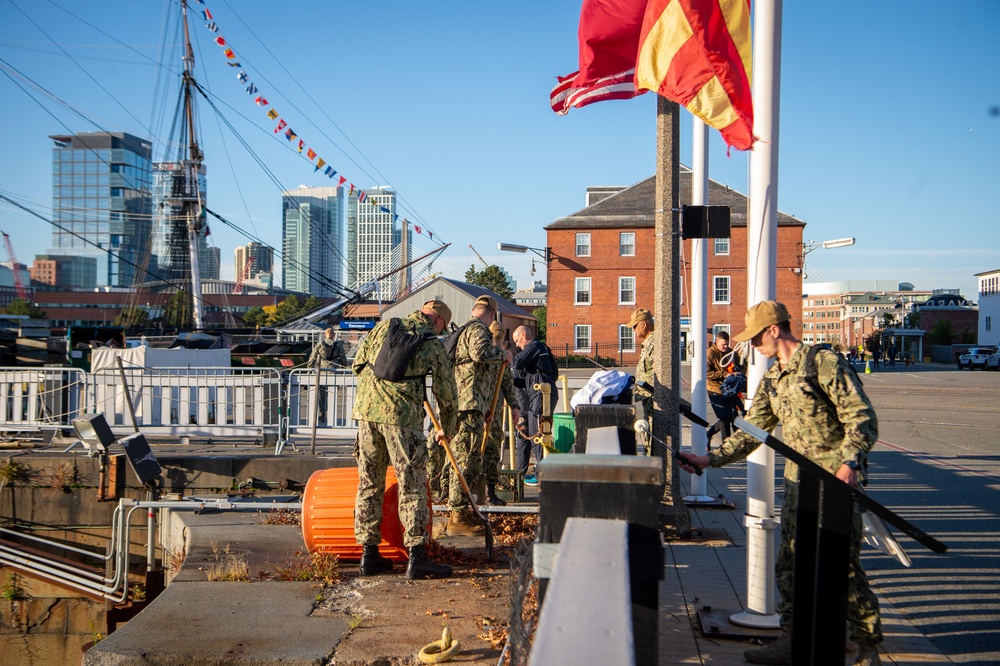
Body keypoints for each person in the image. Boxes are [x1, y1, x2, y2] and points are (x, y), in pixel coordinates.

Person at [677, 301, 882, 666]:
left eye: (755, 337)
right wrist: (710, 459)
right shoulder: (775, 377)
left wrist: (850, 462)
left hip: (835, 485)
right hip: (799, 484)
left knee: (843, 566)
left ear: (775, 329)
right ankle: (793, 638)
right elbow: (753, 431)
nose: (751, 345)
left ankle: (867, 646)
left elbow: (862, 418)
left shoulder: (824, 364)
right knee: (788, 563)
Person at [351, 300, 457, 580]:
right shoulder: (432, 343)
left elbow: (356, 365)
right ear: (439, 322)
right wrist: (447, 429)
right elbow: (447, 394)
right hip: (401, 418)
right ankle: (417, 557)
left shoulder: (384, 326)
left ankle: (369, 555)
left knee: (369, 483)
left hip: (365, 414)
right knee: (411, 485)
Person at [446, 295, 507, 535]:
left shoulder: (464, 329)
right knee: (466, 459)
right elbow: (480, 353)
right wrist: (503, 355)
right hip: (470, 404)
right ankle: (458, 516)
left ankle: (461, 511)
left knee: (466, 457)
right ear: (491, 315)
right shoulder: (478, 329)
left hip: (468, 403)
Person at [511, 325, 559, 484]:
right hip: (538, 394)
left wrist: (506, 356)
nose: (517, 345)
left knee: (538, 435)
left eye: (518, 341)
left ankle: (542, 473)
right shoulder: (536, 354)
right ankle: (534, 471)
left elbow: (517, 362)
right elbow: (521, 380)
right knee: (534, 432)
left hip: (542, 394)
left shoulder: (535, 346)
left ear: (524, 336)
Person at [481, 321, 520, 505]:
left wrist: (514, 406)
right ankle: (468, 492)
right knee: (473, 451)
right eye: (495, 339)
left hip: (495, 412)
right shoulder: (482, 354)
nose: (497, 343)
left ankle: (490, 491)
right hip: (478, 411)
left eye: (500, 340)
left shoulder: (502, 358)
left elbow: (507, 384)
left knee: (493, 451)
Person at [706, 331, 742, 447]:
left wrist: (738, 370)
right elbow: (706, 373)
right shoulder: (710, 354)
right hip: (715, 389)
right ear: (716, 342)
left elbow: (740, 365)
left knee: (732, 416)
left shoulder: (731, 353)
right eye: (723, 344)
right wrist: (723, 374)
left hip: (730, 389)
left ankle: (709, 433)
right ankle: (726, 445)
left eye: (727, 344)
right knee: (724, 417)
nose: (725, 347)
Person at [308, 328, 348, 420]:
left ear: (325, 335)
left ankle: (322, 413)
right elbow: (343, 359)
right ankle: (332, 414)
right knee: (332, 392)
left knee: (322, 394)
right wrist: (343, 369)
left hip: (322, 371)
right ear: (333, 335)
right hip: (334, 371)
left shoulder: (319, 344)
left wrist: (309, 370)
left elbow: (312, 358)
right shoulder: (338, 345)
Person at [628, 308, 655, 419]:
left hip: (654, 397)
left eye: (635, 326)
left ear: (643, 325)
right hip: (648, 396)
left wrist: (641, 381)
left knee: (653, 429)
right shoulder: (648, 342)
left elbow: (659, 373)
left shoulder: (654, 343)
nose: (634, 330)